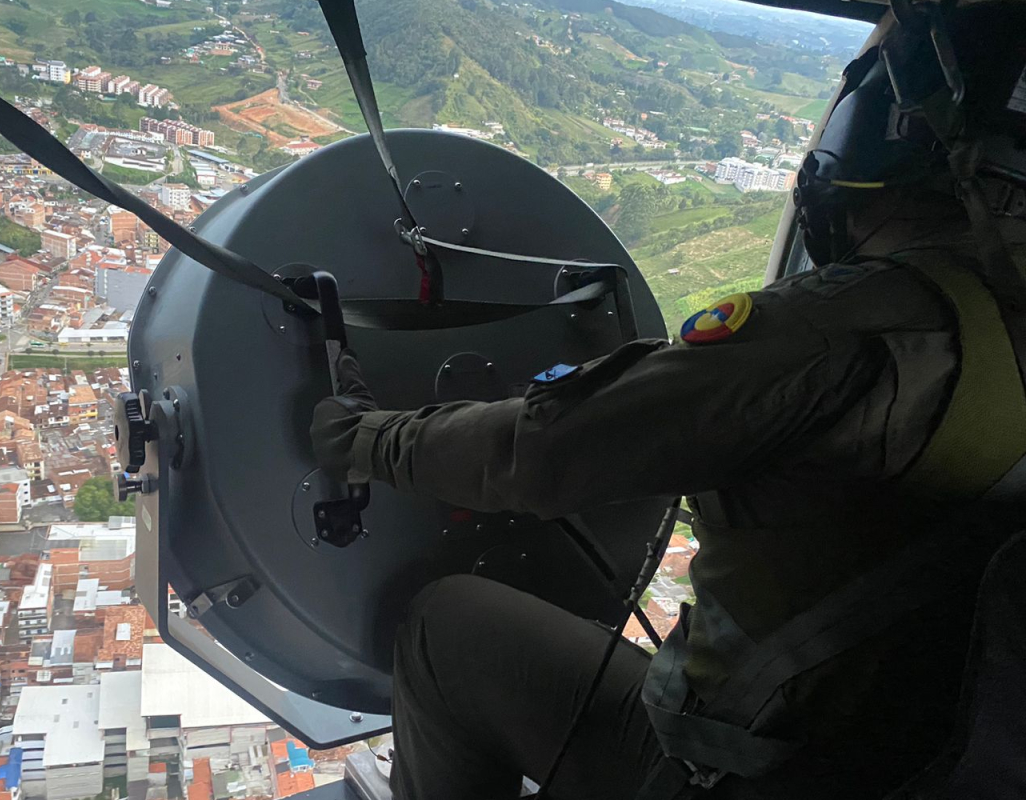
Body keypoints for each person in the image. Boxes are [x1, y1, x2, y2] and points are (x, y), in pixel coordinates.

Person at [310, 2, 1026, 798]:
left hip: (748, 772)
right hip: (926, 769)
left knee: (446, 628)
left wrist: (365, 439)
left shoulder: (860, 327)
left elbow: (541, 454)